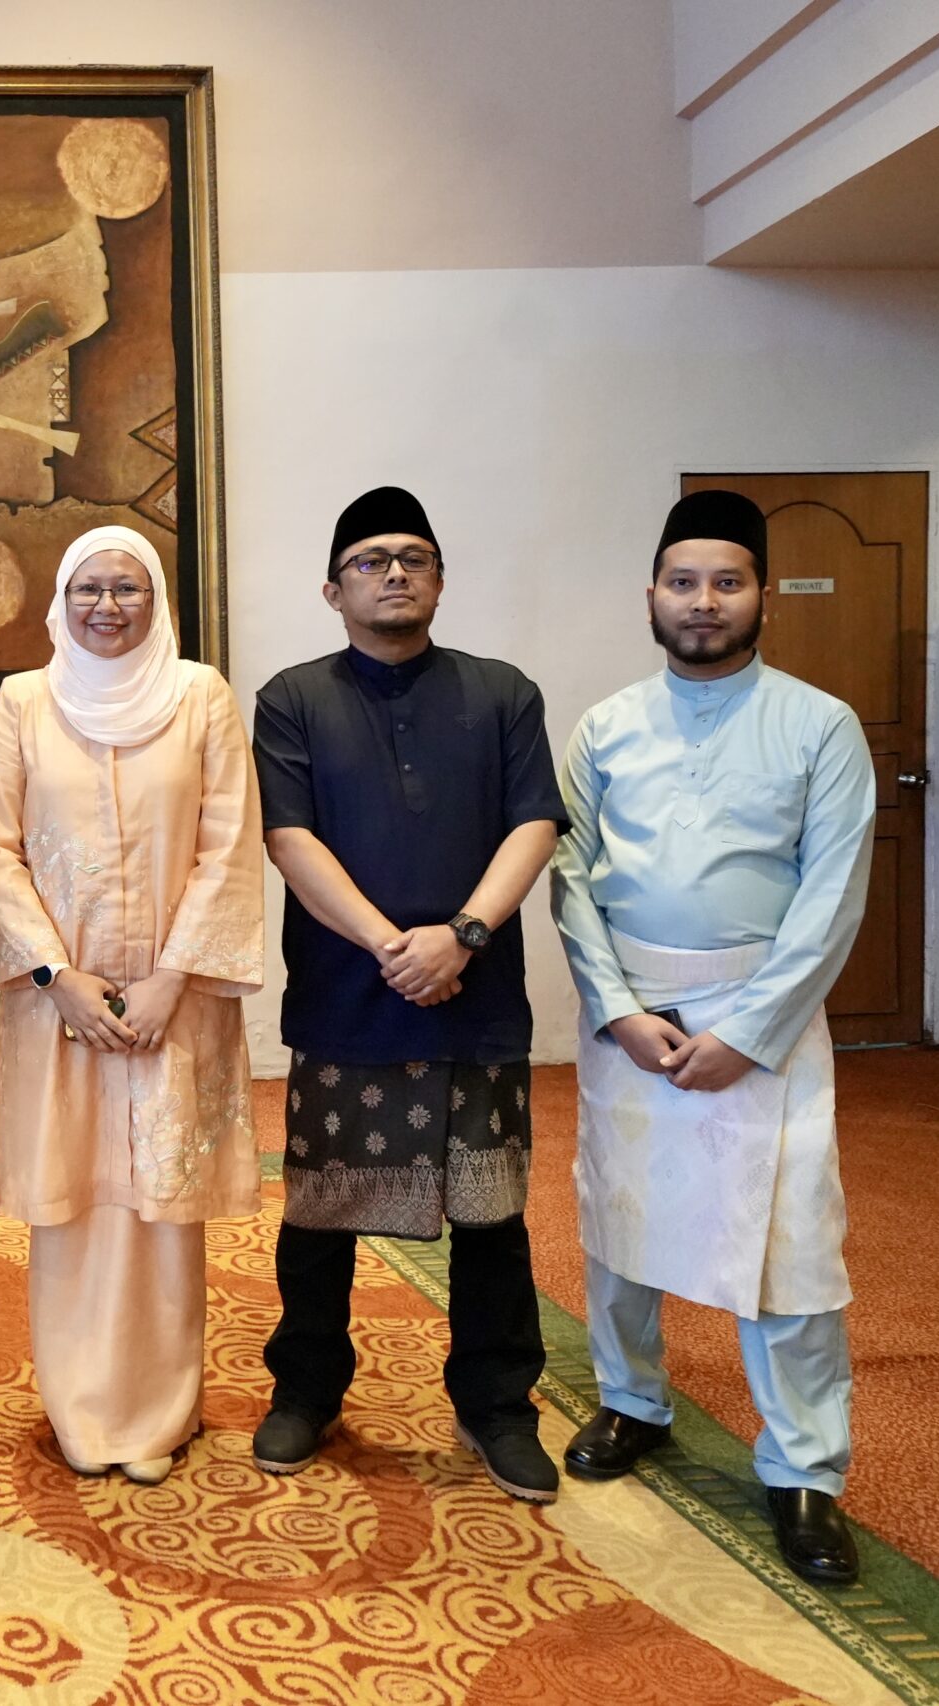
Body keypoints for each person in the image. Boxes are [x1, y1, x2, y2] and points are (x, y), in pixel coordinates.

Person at [550, 490, 874, 1584]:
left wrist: (750, 1030)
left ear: (762, 597)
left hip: (763, 1018)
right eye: (682, 582)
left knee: (789, 1246)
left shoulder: (819, 725)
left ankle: (805, 1470)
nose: (703, 602)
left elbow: (832, 896)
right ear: (649, 594)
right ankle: (632, 1400)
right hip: (632, 1017)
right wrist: (616, 1007)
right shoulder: (604, 727)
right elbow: (569, 877)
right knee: (619, 1217)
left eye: (725, 582)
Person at [252, 485, 567, 1504]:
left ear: (438, 579)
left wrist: (462, 935)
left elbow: (533, 823)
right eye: (371, 560)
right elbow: (289, 837)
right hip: (348, 994)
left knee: (491, 1214)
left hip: (476, 997)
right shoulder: (293, 698)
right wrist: (394, 946)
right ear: (332, 589)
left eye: (413, 557)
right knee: (320, 1209)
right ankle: (306, 1388)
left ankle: (498, 1404)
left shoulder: (504, 692)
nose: (393, 573)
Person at [0, 525, 265, 1484]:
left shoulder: (201, 696)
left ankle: (160, 1413)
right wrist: (58, 978)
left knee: (162, 1208)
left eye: (127, 588)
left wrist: (173, 979)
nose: (107, 606)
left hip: (177, 1003)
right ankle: (81, 1413)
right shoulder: (24, 701)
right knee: (75, 1202)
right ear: (62, 601)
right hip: (60, 1006)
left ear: (157, 600)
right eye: (88, 588)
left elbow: (229, 843)